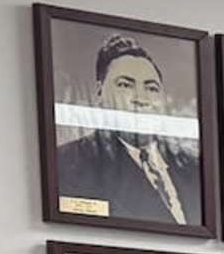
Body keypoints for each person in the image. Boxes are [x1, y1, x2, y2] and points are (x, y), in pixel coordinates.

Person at [52, 29, 200, 227]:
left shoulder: (195, 167)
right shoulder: (68, 163)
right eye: (125, 85)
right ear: (99, 93)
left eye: (151, 88)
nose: (141, 98)